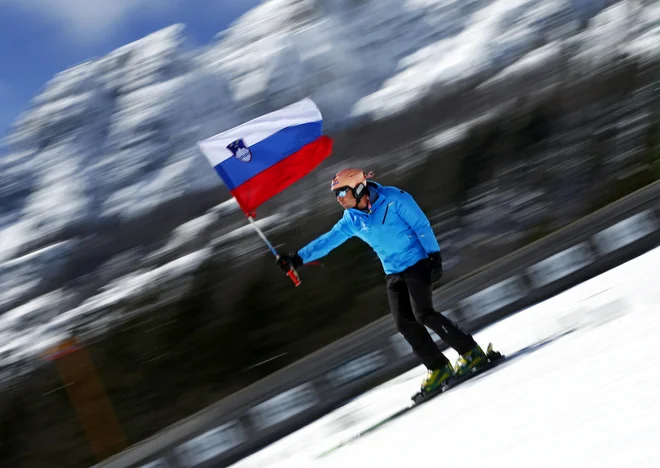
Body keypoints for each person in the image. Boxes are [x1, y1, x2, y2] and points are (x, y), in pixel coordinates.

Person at [276, 168, 489, 395]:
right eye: (335, 195)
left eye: (342, 193)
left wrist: (434, 257)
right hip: (393, 272)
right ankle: (438, 368)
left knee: (424, 313)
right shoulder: (352, 220)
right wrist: (297, 259)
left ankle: (471, 352)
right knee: (404, 323)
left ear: (358, 188)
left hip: (417, 262)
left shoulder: (394, 199)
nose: (339, 199)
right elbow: (328, 240)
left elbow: (421, 225)